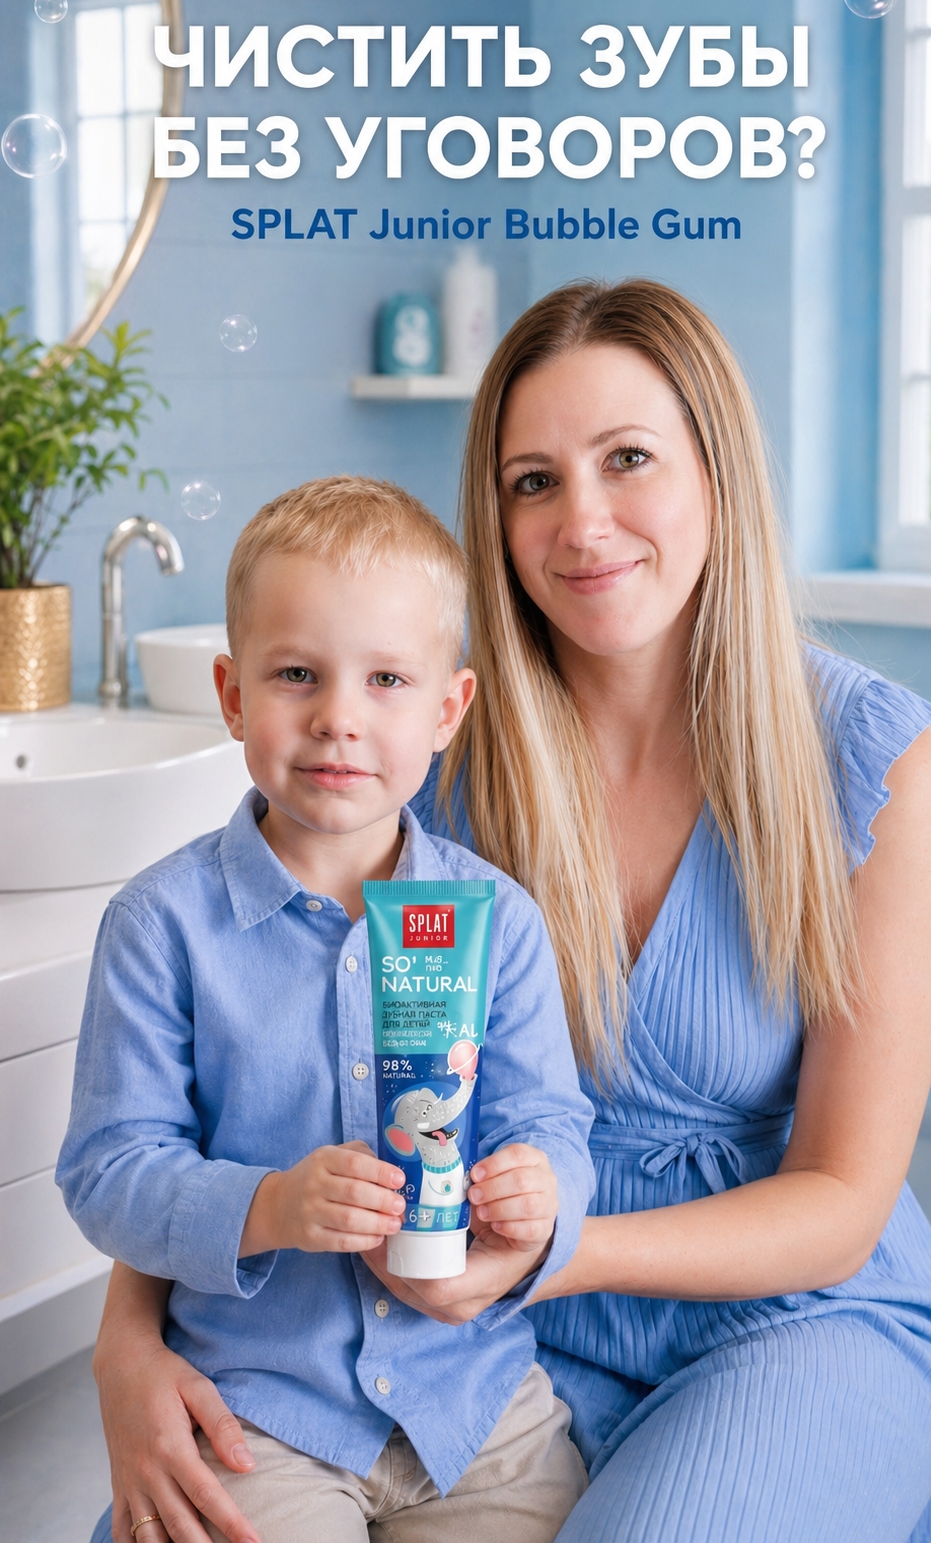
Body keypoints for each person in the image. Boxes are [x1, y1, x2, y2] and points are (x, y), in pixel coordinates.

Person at [87, 281, 931, 1543]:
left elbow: (843, 1198)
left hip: (787, 1319)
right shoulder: (424, 755)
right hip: (480, 1348)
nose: (581, 523)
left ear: (717, 472)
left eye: (627, 459)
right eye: (533, 481)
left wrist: (554, 1255)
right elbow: (250, 1048)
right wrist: (126, 1344)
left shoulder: (869, 759)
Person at [60, 477, 594, 1543]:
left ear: (448, 710)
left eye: (387, 679)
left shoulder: (497, 922)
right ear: (231, 695)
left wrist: (542, 1190)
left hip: (477, 1410)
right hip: (260, 1413)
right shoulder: (161, 926)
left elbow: (552, 1122)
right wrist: (267, 1206)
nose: (338, 718)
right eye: (296, 674)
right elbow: (109, 1170)